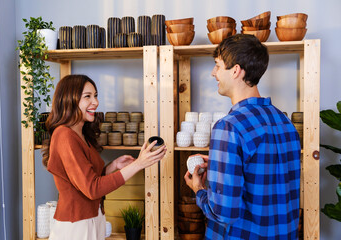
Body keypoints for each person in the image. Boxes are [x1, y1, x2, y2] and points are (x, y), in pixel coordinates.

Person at [184, 34, 301, 239]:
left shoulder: (228, 127)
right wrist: (223, 164)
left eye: (217, 66)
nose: (213, 73)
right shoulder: (285, 123)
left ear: (236, 70)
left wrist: (199, 189)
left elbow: (224, 213)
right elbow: (267, 172)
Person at [42, 74, 166, 240]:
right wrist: (138, 165)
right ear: (69, 99)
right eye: (87, 97)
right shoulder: (64, 135)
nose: (96, 102)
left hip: (92, 220)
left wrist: (113, 166)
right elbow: (92, 189)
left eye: (96, 96)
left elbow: (87, 180)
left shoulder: (81, 134)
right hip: (76, 227)